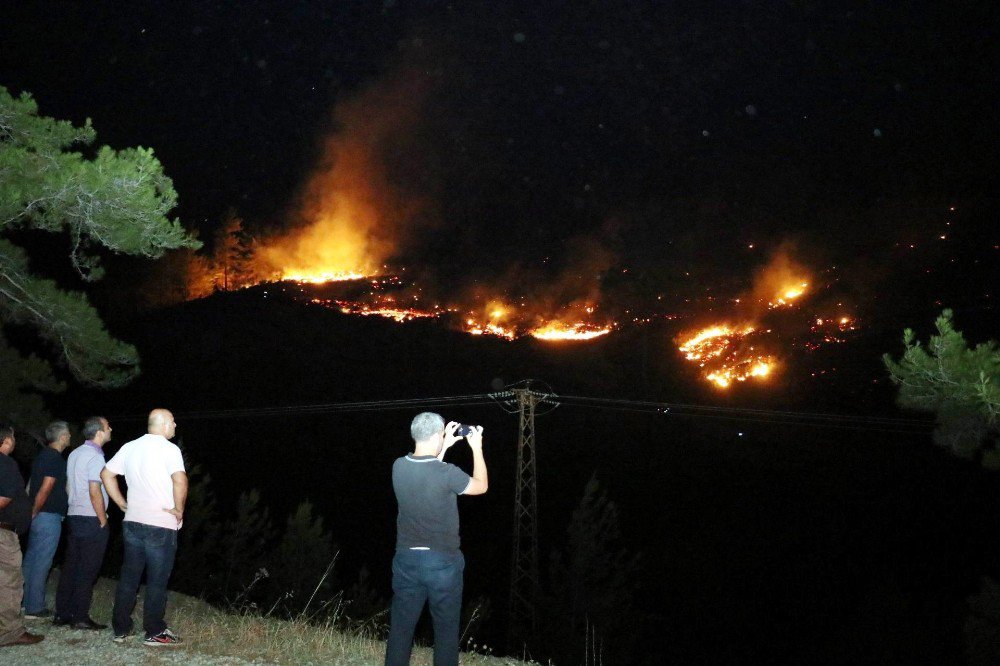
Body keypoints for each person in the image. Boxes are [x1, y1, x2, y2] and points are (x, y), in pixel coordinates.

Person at [385, 413, 488, 666]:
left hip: (406, 561)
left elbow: (426, 473)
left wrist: (446, 445)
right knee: (445, 632)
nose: (444, 437)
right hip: (442, 564)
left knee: (401, 630)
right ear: (434, 436)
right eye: (442, 434)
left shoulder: (399, 466)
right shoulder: (447, 473)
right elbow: (480, 486)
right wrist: (477, 449)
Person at [101, 408, 187, 647]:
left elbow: (106, 474)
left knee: (130, 577)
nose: (175, 426)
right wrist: (179, 510)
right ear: (161, 424)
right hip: (160, 524)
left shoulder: (130, 447)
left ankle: (121, 628)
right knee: (157, 580)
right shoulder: (170, 449)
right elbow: (180, 480)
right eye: (172, 422)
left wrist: (121, 504)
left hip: (133, 523)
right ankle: (154, 631)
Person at [53, 417, 114, 630]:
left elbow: (69, 487)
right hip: (91, 518)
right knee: (88, 569)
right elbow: (94, 490)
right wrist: (103, 519)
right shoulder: (96, 457)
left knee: (71, 566)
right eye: (107, 427)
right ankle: (80, 617)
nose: (110, 430)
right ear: (99, 432)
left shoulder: (75, 453)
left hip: (74, 515)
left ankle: (62, 614)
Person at [0, 424, 44, 647]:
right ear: (7, 441)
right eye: (13, 438)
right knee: (9, 582)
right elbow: (4, 497)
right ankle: (10, 633)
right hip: (3, 533)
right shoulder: (5, 463)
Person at [22, 421, 70, 619]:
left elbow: (31, 485)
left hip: (39, 515)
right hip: (47, 516)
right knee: (42, 561)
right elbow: (46, 486)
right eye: (67, 434)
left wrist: (30, 511)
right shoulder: (54, 458)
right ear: (62, 437)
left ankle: (23, 601)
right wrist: (34, 510)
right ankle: (35, 608)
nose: (69, 437)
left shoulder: (42, 456)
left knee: (31, 560)